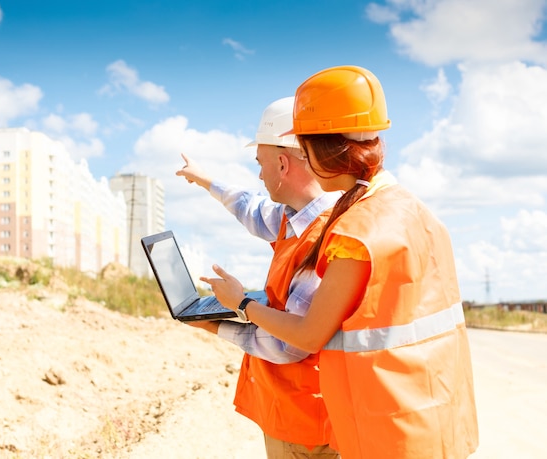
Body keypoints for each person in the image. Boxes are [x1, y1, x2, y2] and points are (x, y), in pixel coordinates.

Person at [200, 66, 480, 458]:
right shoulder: (407, 208)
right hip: (432, 409)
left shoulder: (356, 231)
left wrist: (242, 305)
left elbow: (307, 335)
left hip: (388, 425)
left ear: (322, 149)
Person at [176, 97, 341, 458]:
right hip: (294, 413)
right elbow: (250, 207)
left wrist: (226, 318)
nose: (259, 174)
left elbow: (290, 344)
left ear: (282, 163)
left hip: (305, 425)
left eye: (260, 164)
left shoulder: (321, 240)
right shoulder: (295, 217)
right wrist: (205, 180)